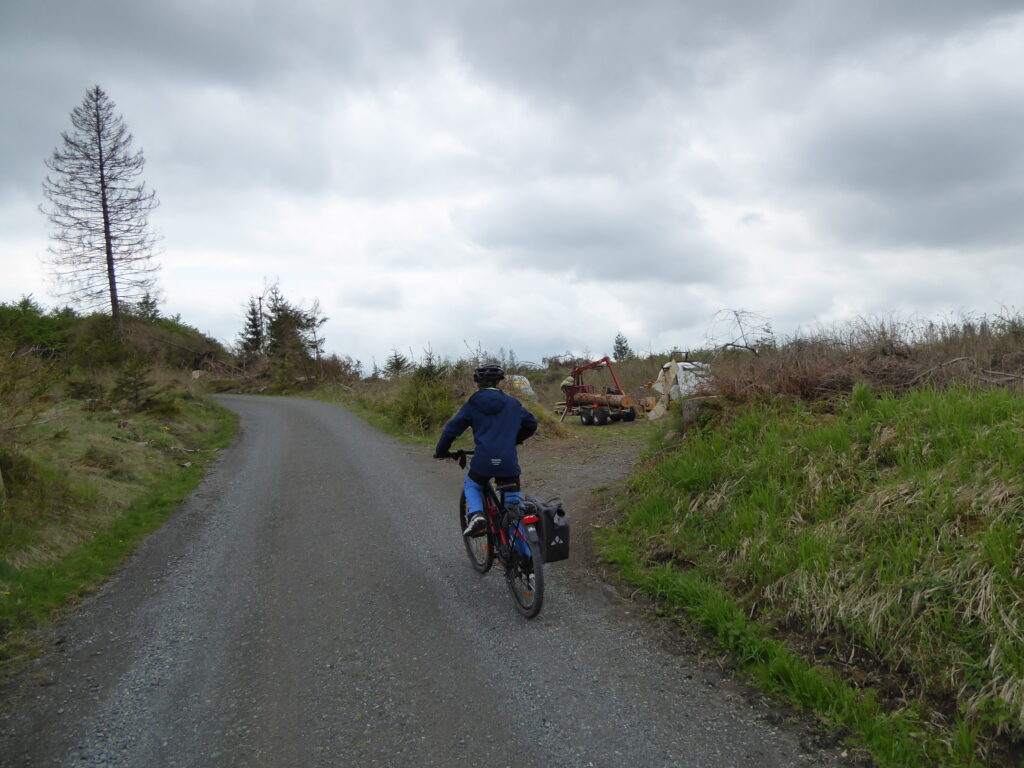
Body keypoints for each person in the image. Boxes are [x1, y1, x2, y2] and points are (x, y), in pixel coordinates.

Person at [434, 363, 539, 535]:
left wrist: (441, 451)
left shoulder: (472, 404)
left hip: (483, 462)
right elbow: (531, 424)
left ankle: (476, 515)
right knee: (513, 511)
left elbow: (451, 430)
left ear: (477, 384)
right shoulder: (512, 404)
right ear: (499, 383)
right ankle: (527, 556)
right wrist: (516, 439)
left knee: (472, 485)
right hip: (508, 463)